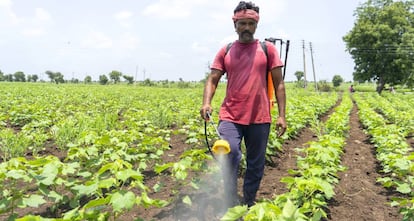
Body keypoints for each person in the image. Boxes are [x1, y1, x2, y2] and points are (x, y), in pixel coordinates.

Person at [199, 1, 287, 208]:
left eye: (250, 23)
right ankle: (230, 200)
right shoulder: (226, 50)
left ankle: (248, 201)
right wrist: (206, 103)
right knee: (230, 154)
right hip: (230, 115)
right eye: (242, 23)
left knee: (256, 165)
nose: (246, 28)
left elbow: (279, 83)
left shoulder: (268, 49)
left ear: (256, 25)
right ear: (235, 24)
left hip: (260, 117)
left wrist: (282, 115)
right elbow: (212, 79)